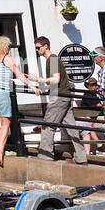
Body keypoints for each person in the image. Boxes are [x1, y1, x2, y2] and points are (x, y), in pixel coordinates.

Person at [0, 36, 40, 167]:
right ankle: (0, 149)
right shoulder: (7, 58)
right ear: (5, 47)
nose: (10, 49)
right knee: (6, 122)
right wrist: (33, 87)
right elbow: (19, 75)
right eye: (9, 46)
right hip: (1, 91)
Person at [30, 36, 87, 164]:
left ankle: (45, 156)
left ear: (46, 46)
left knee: (48, 126)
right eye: (36, 48)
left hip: (58, 97)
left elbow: (55, 79)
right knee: (71, 128)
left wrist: (37, 79)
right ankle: (82, 158)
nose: (37, 50)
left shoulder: (53, 60)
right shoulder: (53, 60)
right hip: (65, 97)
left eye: (38, 47)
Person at [78, 77, 104, 155]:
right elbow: (99, 107)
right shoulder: (89, 95)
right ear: (88, 86)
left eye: (94, 85)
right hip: (90, 117)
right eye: (91, 85)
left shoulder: (92, 94)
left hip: (91, 117)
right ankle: (100, 145)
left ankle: (99, 145)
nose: (93, 87)